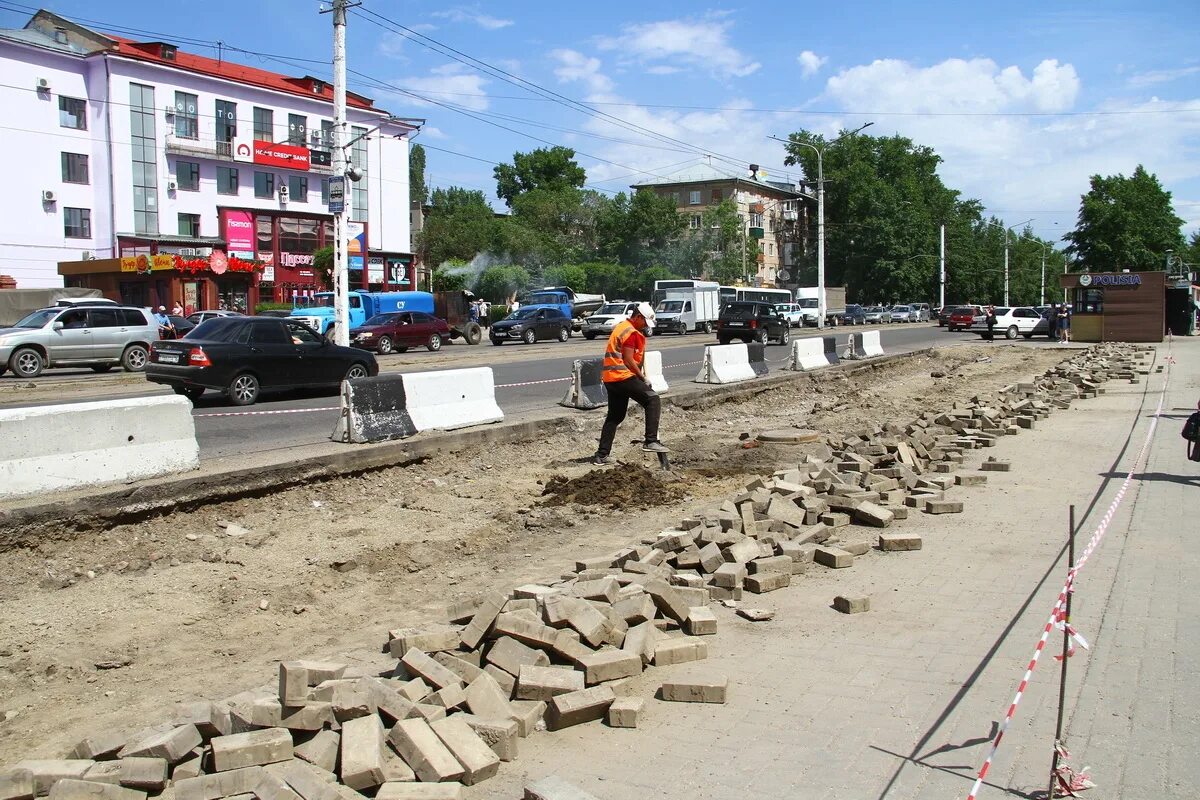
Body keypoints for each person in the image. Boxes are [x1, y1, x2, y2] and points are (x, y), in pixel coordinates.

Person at [593, 302, 668, 465]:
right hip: (622, 376)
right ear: (638, 317)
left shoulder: (622, 327)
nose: (645, 326)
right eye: (644, 322)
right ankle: (651, 441)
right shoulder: (631, 332)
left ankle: (601, 455)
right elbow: (627, 359)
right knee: (652, 400)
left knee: (615, 416)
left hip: (610, 378)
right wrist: (642, 378)